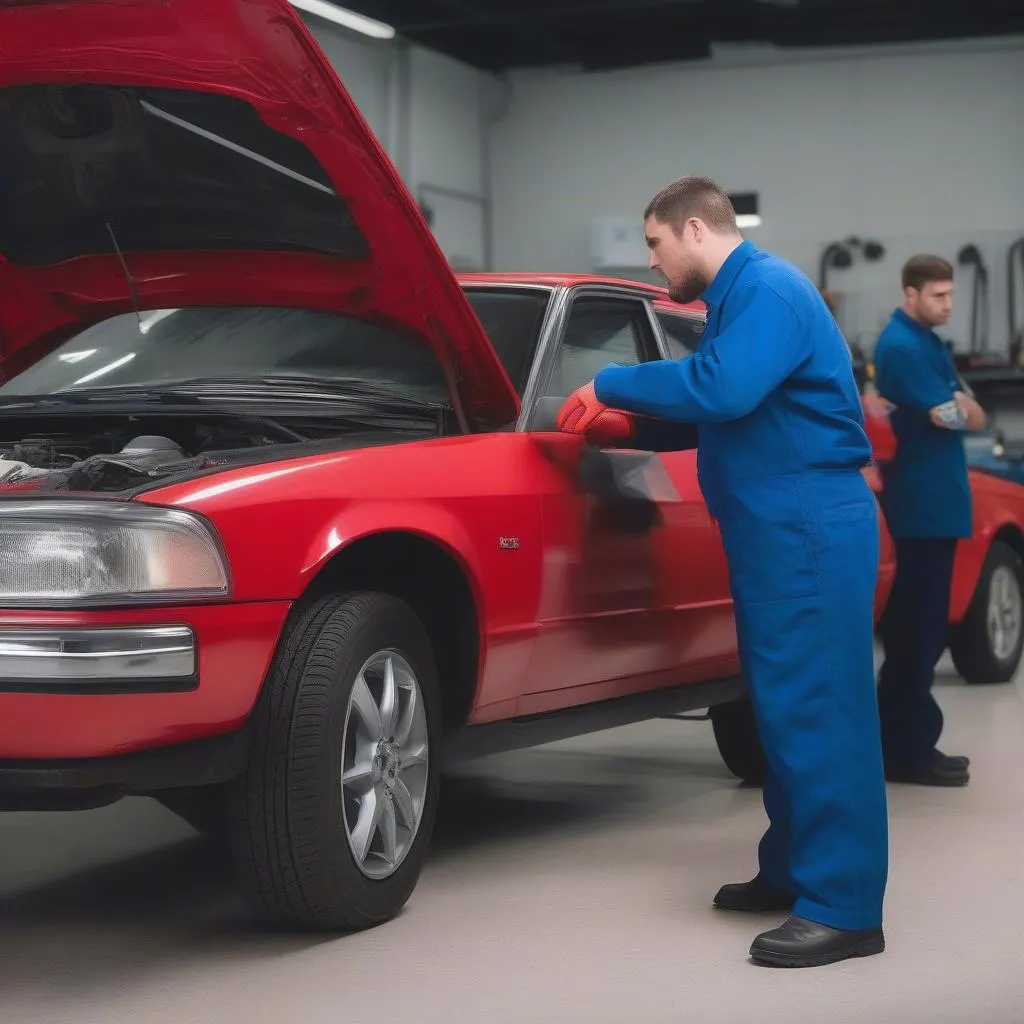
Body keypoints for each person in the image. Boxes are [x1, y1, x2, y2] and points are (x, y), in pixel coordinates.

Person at [555, 176, 889, 968]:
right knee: (782, 709)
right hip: (778, 530)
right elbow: (734, 414)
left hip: (805, 527)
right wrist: (630, 424)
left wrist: (609, 380)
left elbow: (724, 387)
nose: (653, 263)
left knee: (820, 709)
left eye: (655, 244)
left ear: (696, 229)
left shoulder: (768, 289)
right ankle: (793, 870)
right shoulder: (738, 302)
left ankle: (845, 908)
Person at [872, 255, 985, 787]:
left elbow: (970, 410)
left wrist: (959, 405)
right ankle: (904, 750)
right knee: (914, 635)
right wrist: (959, 405)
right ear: (910, 292)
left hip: (937, 507)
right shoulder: (900, 347)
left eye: (950, 295)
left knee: (927, 632)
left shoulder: (929, 344)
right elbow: (956, 413)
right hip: (916, 510)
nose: (948, 305)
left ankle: (916, 740)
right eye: (938, 296)